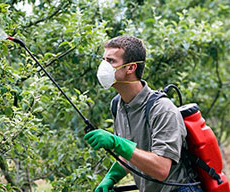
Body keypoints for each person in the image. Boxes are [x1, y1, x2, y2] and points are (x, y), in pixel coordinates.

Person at [84, 36, 203, 192]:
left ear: (131, 68)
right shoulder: (117, 105)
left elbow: (161, 169)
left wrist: (116, 142)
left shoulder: (162, 109)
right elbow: (132, 153)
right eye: (103, 59)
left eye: (111, 61)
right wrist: (111, 178)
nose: (103, 66)